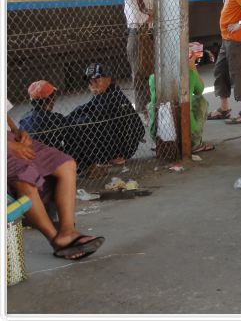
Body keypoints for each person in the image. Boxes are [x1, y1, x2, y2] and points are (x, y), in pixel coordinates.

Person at [7, 100, 105, 260]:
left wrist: (16, 131)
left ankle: (68, 231)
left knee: (66, 164)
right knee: (25, 177)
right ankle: (56, 240)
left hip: (9, 138)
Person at [66, 63, 146, 171]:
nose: (93, 85)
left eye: (97, 80)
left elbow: (93, 118)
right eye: (90, 82)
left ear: (108, 79)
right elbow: (86, 107)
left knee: (81, 125)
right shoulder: (105, 93)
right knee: (79, 118)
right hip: (117, 140)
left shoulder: (112, 96)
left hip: (123, 147)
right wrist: (66, 119)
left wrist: (71, 123)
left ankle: (108, 158)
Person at [148, 43, 215, 153]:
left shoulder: (153, 77)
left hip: (159, 133)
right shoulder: (189, 75)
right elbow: (200, 90)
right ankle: (195, 143)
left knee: (151, 104)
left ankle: (157, 142)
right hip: (186, 132)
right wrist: (193, 67)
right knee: (200, 100)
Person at [124, 0, 154, 115]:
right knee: (139, 73)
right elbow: (135, 18)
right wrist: (152, 15)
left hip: (153, 36)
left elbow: (162, 15)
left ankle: (154, 105)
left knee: (154, 73)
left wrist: (148, 16)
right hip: (137, 37)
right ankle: (143, 110)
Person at [18, 80, 69, 150]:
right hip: (53, 156)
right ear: (51, 99)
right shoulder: (56, 119)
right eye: (53, 97)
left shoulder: (23, 119)